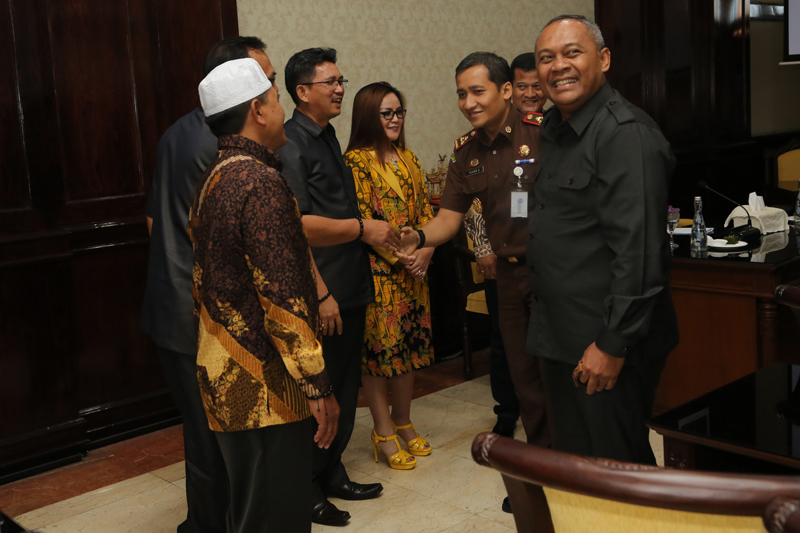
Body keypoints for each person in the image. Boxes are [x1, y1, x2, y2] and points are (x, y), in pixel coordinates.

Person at [395, 52, 551, 527]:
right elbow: (448, 219)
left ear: (506, 90)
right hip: (507, 277)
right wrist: (418, 237)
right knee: (525, 384)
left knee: (561, 377)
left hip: (555, 273)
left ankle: (584, 473)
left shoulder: (546, 129)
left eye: (477, 91)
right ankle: (545, 480)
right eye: (461, 93)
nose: (467, 102)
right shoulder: (466, 152)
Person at [189, 57, 339, 533]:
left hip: (224, 374)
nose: (280, 109)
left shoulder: (215, 177)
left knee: (252, 513)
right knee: (276, 518)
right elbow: (283, 301)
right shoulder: (259, 183)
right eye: (276, 99)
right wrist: (317, 385)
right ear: (258, 109)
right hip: (263, 391)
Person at [528, 14, 679, 464]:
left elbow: (640, 254)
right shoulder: (555, 130)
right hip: (560, 335)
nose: (558, 66)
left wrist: (613, 345)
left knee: (618, 469)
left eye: (572, 53)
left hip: (606, 343)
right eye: (546, 58)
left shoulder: (624, 134)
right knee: (580, 468)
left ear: (604, 58)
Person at [141, 36, 270, 533]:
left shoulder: (177, 132)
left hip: (169, 304)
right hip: (200, 313)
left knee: (202, 437)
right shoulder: (223, 144)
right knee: (219, 437)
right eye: (263, 78)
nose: (268, 92)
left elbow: (155, 221)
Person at [277, 48, 392, 527]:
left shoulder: (325, 136)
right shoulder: (290, 143)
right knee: (318, 392)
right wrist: (362, 232)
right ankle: (304, 488)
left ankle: (332, 470)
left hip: (351, 282)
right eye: (331, 82)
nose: (341, 88)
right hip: (323, 290)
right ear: (303, 92)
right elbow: (297, 225)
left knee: (345, 384)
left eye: (342, 79)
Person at [343, 82, 435, 471]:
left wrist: (426, 251)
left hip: (416, 272)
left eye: (399, 112)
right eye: (387, 113)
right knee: (379, 356)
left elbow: (426, 214)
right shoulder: (355, 162)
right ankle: (382, 430)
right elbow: (366, 219)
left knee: (408, 353)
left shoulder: (409, 158)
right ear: (369, 116)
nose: (395, 119)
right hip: (378, 274)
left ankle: (403, 421)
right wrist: (403, 258)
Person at [462, 201, 520, 443]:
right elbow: (470, 203)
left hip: (541, 257)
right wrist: (483, 247)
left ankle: (550, 408)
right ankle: (507, 412)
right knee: (501, 339)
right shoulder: (480, 163)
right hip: (498, 261)